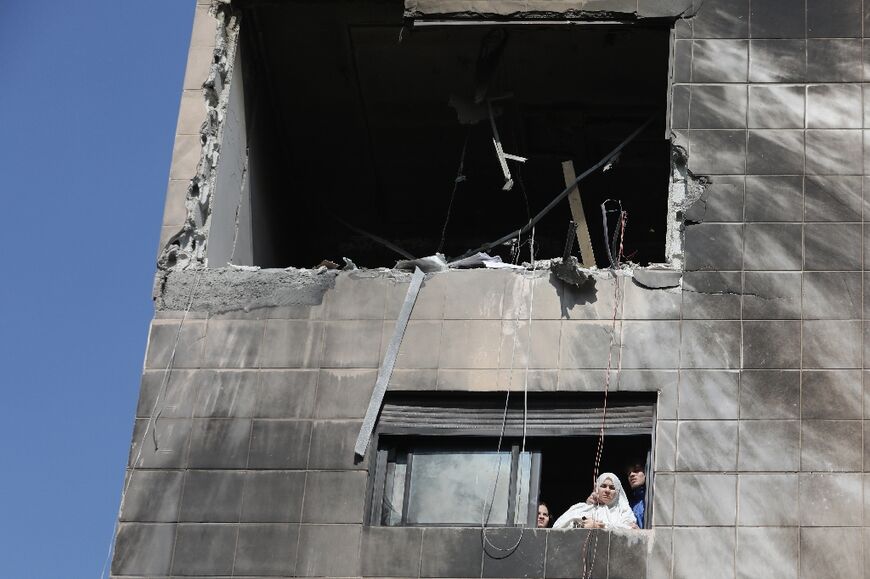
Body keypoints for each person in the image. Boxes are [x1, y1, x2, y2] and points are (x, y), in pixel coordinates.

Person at [552, 472, 638, 530]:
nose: (607, 490)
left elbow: (630, 529)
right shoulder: (583, 508)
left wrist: (602, 526)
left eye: (612, 488)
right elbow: (558, 526)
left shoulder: (624, 511)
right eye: (603, 486)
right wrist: (583, 524)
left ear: (617, 492)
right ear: (597, 488)